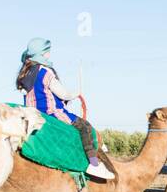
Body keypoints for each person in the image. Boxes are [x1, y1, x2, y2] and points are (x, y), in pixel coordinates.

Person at [16, 37, 114, 180]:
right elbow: (63, 94)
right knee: (85, 127)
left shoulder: (25, 73)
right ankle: (93, 164)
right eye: (47, 51)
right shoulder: (45, 71)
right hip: (50, 113)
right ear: (43, 53)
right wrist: (76, 93)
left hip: (31, 114)